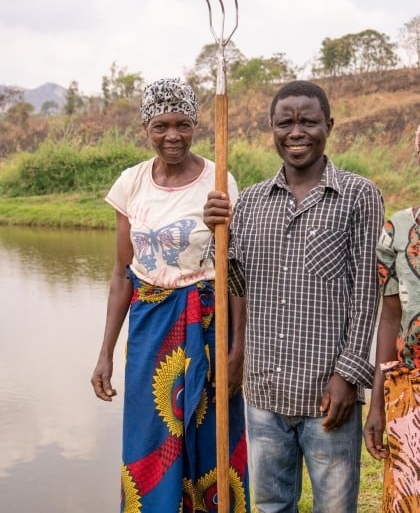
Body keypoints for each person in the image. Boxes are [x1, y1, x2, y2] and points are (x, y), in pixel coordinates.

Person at [203, 80, 384, 512]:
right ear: (272, 129)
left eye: (308, 121)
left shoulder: (359, 196)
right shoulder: (248, 203)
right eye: (286, 122)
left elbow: (366, 294)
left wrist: (349, 374)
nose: (296, 132)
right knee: (269, 505)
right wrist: (217, 236)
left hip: (327, 392)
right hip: (264, 390)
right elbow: (236, 286)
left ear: (329, 125)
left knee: (334, 507)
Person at [91, 77, 250, 512]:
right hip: (149, 329)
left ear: (196, 123)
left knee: (210, 437)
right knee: (149, 438)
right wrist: (105, 352)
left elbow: (233, 270)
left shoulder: (218, 180)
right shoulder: (131, 183)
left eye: (182, 124)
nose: (172, 136)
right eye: (161, 125)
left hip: (207, 325)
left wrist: (236, 349)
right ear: (146, 127)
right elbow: (123, 274)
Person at [363, 203, 420, 511]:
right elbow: (390, 317)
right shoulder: (397, 230)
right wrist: (378, 407)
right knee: (408, 500)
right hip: (410, 392)